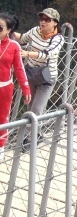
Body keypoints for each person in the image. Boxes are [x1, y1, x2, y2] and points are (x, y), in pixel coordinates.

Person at [16, 7, 63, 116]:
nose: (43, 22)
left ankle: (30, 133)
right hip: (32, 73)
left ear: (55, 23)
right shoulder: (35, 31)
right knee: (30, 106)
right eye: (41, 19)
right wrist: (8, 31)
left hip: (47, 77)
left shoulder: (58, 39)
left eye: (47, 20)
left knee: (36, 110)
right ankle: (36, 133)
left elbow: (47, 54)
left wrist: (27, 54)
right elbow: (22, 39)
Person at [0, 12, 31, 152]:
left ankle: (0, 148)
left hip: (4, 88)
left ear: (9, 30)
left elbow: (19, 68)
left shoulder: (14, 46)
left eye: (0, 28)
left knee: (2, 118)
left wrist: (26, 88)